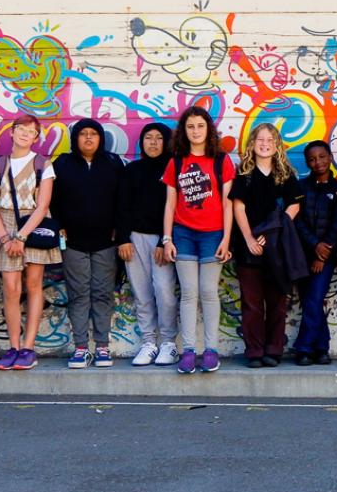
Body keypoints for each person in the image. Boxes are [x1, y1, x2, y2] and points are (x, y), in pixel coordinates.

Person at [159, 106, 233, 375]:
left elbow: (227, 204)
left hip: (213, 234)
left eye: (200, 126)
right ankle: (189, 351)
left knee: (209, 292)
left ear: (208, 129)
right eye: (190, 127)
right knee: (189, 293)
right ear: (184, 131)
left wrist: (226, 238)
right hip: (184, 234)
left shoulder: (221, 161)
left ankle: (211, 350)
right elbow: (169, 204)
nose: (195, 131)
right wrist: (167, 239)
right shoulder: (175, 162)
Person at [0, 114, 58, 371]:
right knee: (10, 288)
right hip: (3, 226)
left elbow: (43, 205)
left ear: (36, 138)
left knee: (34, 284)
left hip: (33, 226)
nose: (26, 134)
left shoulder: (42, 164)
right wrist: (5, 237)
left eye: (32, 131)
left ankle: (28, 347)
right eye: (21, 129)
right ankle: (13, 346)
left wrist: (22, 236)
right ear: (12, 132)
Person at [51, 118, 123, 369]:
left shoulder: (113, 164)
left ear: (101, 138)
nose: (89, 138)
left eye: (94, 134)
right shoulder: (62, 164)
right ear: (76, 139)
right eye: (84, 134)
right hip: (73, 243)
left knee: (103, 293)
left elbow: (122, 200)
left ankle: (102, 346)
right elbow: (52, 199)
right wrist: (58, 224)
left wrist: (120, 231)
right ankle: (81, 348)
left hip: (105, 242)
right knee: (79, 294)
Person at [230, 123, 303, 368]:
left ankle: (273, 349)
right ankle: (254, 351)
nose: (264, 144)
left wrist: (274, 230)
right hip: (248, 247)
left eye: (269, 140)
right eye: (260, 139)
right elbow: (238, 207)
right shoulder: (244, 174)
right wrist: (250, 238)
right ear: (253, 143)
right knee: (252, 303)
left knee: (277, 301)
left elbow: (294, 205)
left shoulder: (285, 173)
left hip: (277, 249)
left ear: (276, 145)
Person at [117, 122, 177, 367]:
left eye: (159, 138)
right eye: (148, 138)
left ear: (167, 142)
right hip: (135, 239)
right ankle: (149, 342)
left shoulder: (173, 168)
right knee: (141, 293)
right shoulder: (132, 169)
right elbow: (121, 205)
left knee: (164, 291)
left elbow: (175, 207)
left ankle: (169, 343)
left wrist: (166, 239)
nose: (153, 143)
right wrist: (123, 238)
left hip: (163, 241)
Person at [290, 140, 337, 366]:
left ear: (330, 157)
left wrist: (321, 254)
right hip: (302, 254)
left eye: (322, 157)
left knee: (314, 298)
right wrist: (314, 245)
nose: (318, 162)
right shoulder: (301, 188)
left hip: (325, 257)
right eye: (313, 159)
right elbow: (298, 221)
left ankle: (304, 348)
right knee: (310, 301)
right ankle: (321, 347)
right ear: (307, 163)